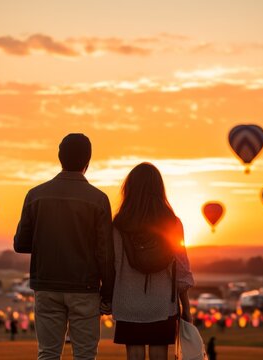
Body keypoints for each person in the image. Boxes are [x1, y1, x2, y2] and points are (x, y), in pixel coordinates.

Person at [14, 133, 115, 360]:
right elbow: (105, 254)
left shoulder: (35, 195)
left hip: (46, 284)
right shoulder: (98, 199)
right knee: (85, 356)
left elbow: (20, 244)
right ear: (88, 161)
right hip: (85, 288)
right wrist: (108, 293)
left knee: (48, 353)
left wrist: (48, 240)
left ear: (59, 158)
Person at [112, 162, 194, 360]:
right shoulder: (172, 223)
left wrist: (107, 296)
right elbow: (182, 272)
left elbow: (112, 264)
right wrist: (186, 309)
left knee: (135, 354)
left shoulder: (118, 223)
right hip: (162, 302)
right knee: (159, 353)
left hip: (127, 302)